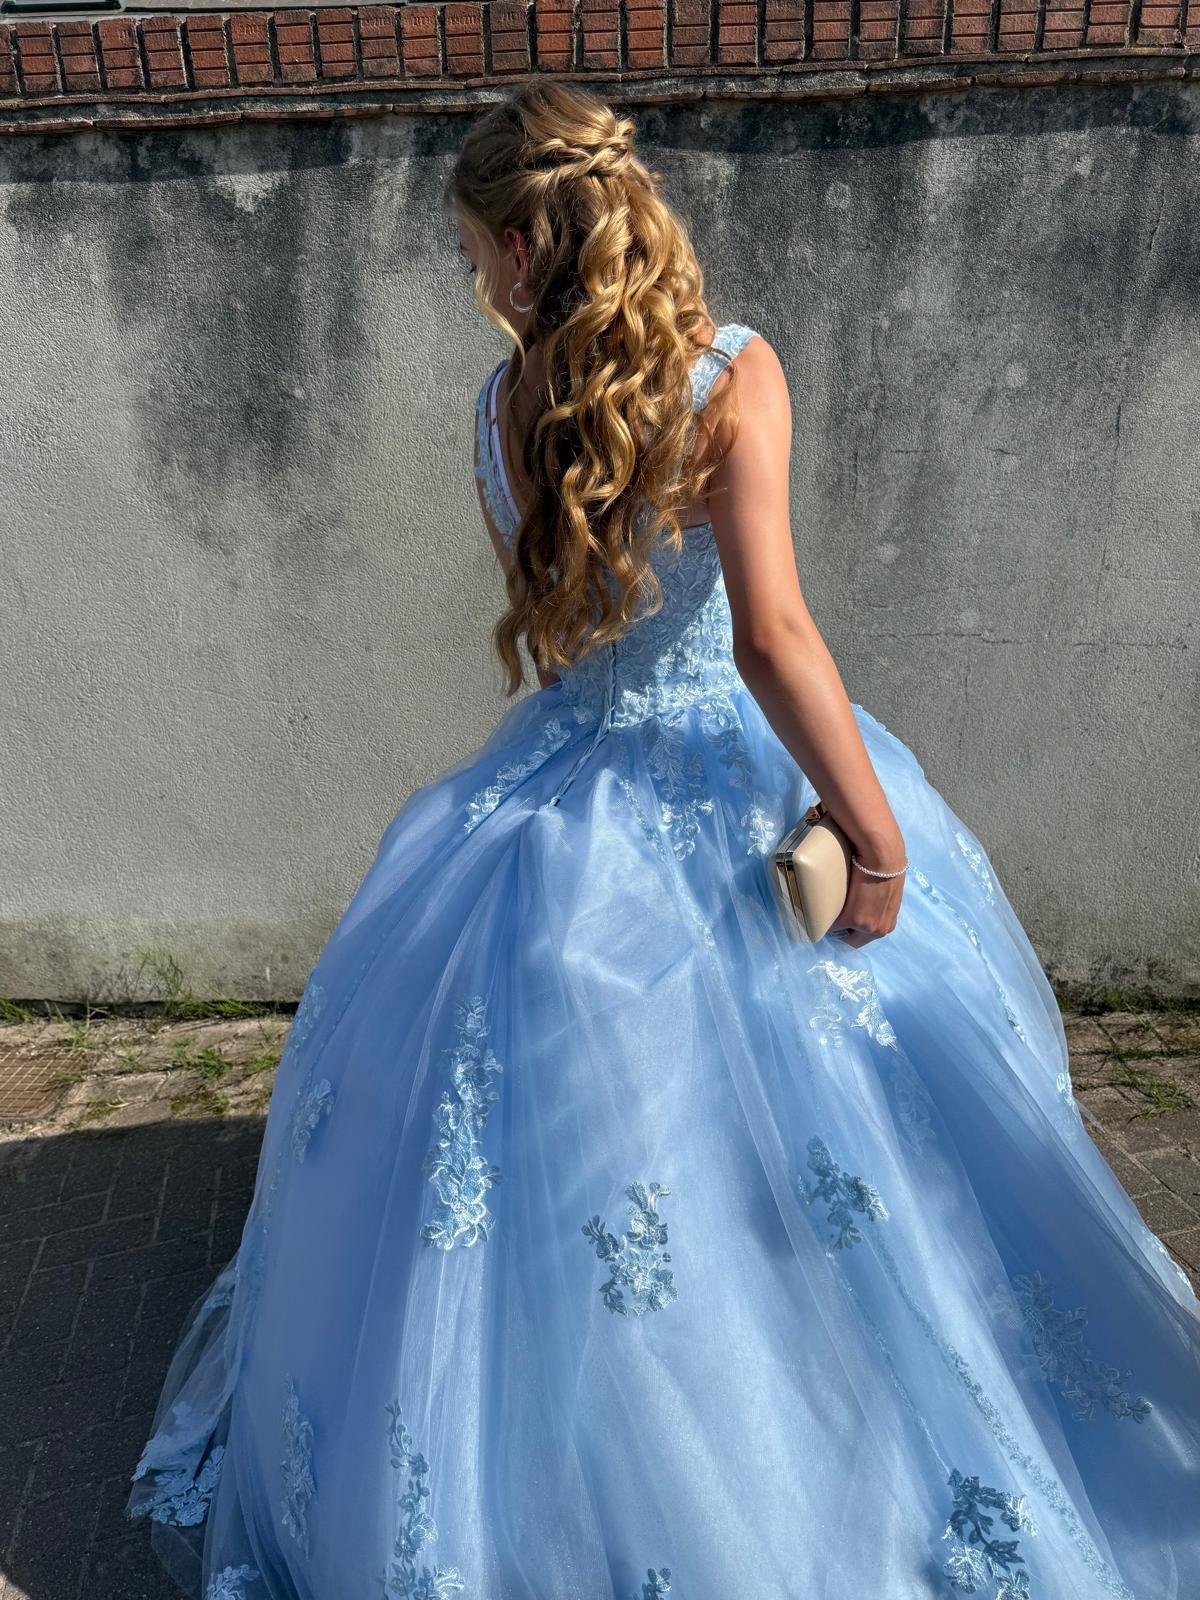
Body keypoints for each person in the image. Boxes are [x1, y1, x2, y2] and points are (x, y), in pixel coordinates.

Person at [127, 82, 1200, 1600]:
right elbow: (771, 639)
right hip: (732, 778)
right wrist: (875, 839)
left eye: (472, 254)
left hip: (561, 793)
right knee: (839, 1130)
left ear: (520, 242)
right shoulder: (730, 373)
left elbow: (574, 643)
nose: (475, 281)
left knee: (551, 1146)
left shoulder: (499, 409)